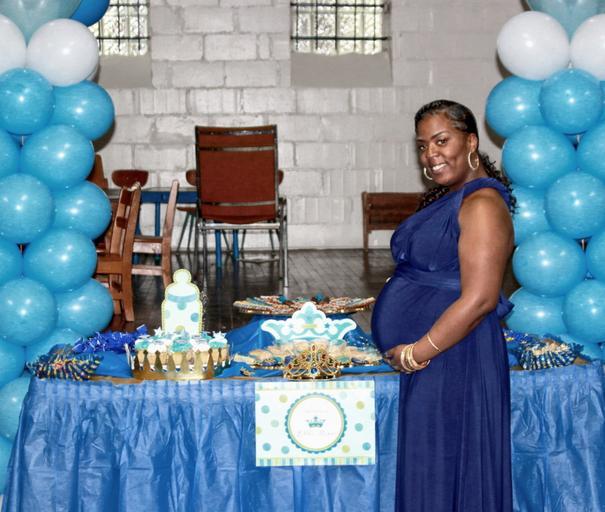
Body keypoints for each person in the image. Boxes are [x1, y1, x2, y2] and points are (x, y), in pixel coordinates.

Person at [371, 99, 515, 511]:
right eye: (422, 146)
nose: (430, 154)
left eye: (441, 141)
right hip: (440, 354)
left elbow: (480, 298)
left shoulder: (483, 205)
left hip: (454, 354)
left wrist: (418, 352)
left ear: (470, 142)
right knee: (432, 466)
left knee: (444, 467)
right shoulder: (456, 198)